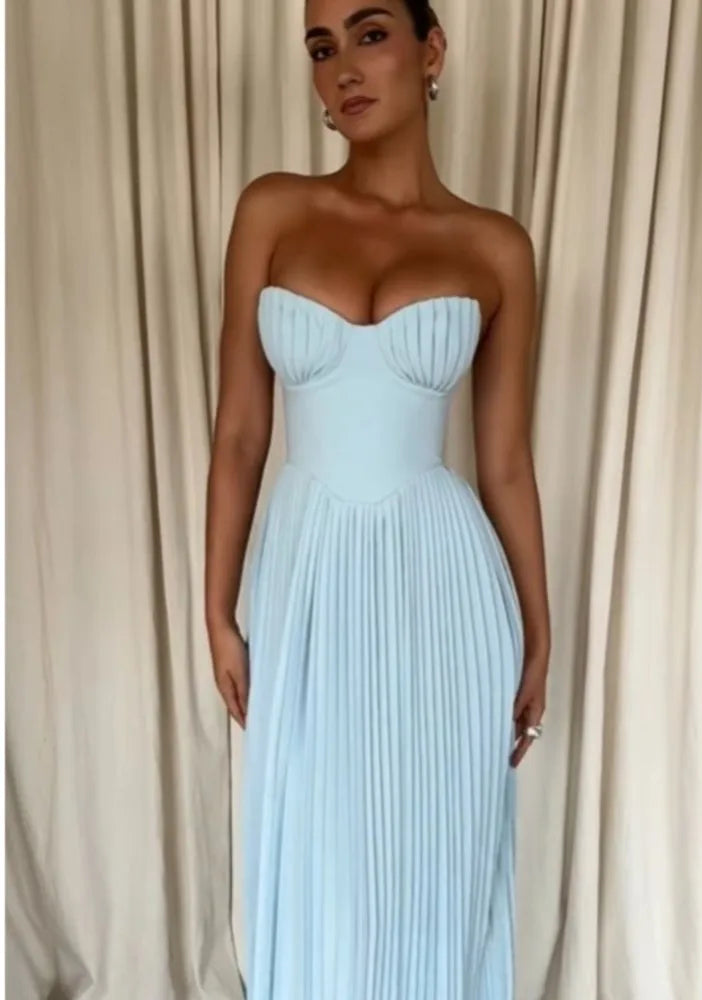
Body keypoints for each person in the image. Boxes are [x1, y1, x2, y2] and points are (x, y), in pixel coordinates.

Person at [204, 1, 551, 996]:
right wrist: (218, 611)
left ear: (431, 50)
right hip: (308, 577)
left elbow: (506, 463)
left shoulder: (495, 247)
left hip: (444, 588)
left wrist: (538, 632)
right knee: (319, 850)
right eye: (322, 49)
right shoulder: (273, 211)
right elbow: (240, 432)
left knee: (432, 855)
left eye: (369, 35)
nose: (343, 69)